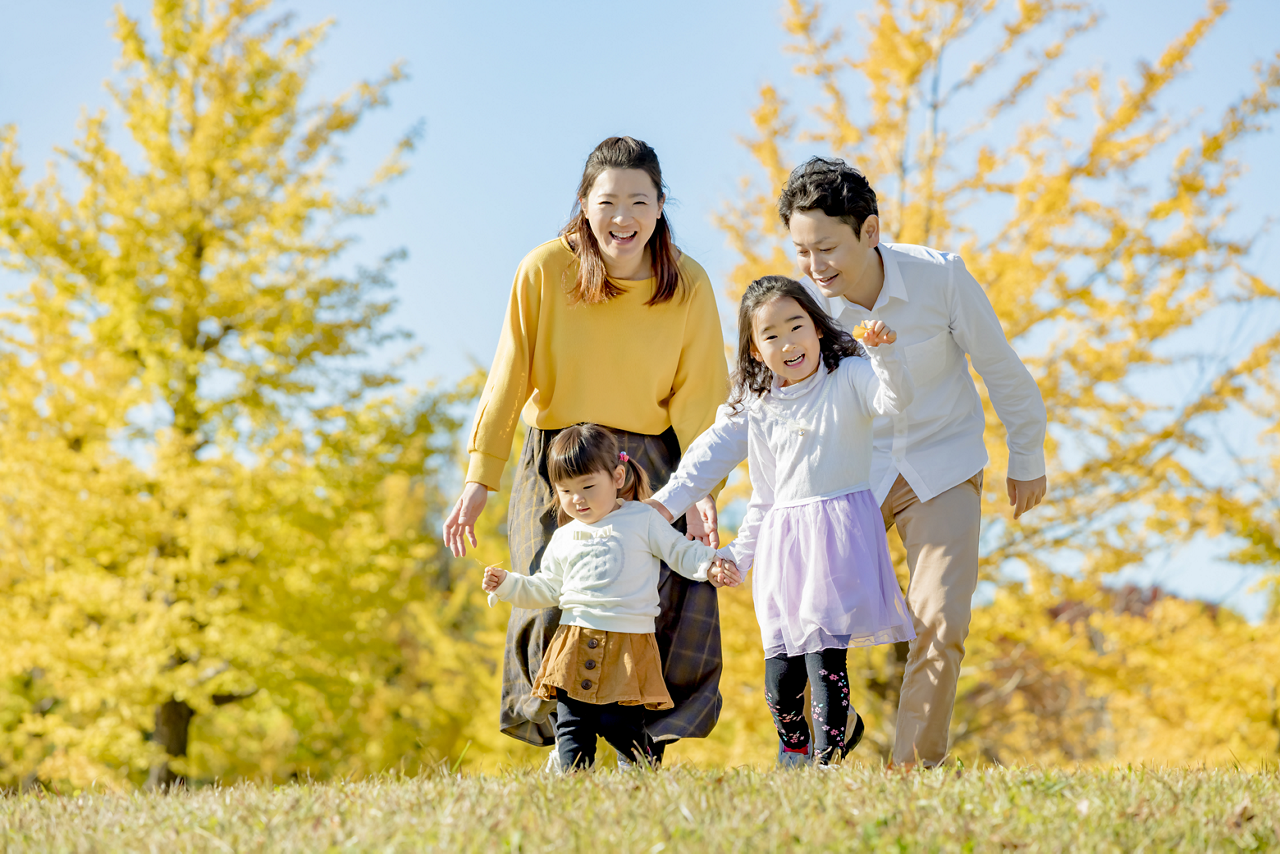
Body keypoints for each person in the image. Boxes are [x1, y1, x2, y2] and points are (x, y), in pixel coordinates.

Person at [647, 158, 1048, 768]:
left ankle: (909, 770)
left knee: (941, 617)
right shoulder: (803, 316)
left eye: (826, 247)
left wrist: (1026, 452)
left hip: (942, 464)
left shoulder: (940, 279)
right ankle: (828, 735)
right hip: (851, 475)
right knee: (809, 621)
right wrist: (679, 496)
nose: (814, 266)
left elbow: (1000, 367)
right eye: (802, 251)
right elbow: (746, 419)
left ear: (870, 231)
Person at [443, 137, 730, 762]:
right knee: (553, 588)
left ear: (660, 208)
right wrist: (477, 482)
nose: (622, 218)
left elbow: (702, 396)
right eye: (607, 202)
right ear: (583, 204)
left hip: (652, 463)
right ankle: (563, 735)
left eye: (638, 202)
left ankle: (643, 741)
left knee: (671, 595)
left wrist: (704, 490)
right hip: (560, 458)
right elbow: (508, 377)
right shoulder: (544, 268)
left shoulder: (688, 283)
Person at [650, 276, 915, 766]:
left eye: (798, 326)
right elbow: (733, 476)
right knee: (781, 684)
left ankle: (824, 762)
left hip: (836, 542)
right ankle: (802, 744)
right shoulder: (758, 405)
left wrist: (883, 355)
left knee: (824, 662)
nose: (789, 342)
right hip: (781, 550)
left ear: (817, 328)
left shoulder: (850, 376)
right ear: (755, 349)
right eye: (771, 335)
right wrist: (677, 516)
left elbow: (893, 401)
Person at [483, 425, 736, 770]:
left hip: (628, 647)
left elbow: (680, 552)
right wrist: (508, 584)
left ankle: (636, 772)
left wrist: (709, 566)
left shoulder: (642, 519)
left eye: (588, 486)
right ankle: (572, 783)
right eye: (566, 491)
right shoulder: (565, 536)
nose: (578, 499)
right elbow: (545, 589)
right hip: (573, 645)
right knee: (573, 726)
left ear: (618, 476)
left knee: (621, 725)